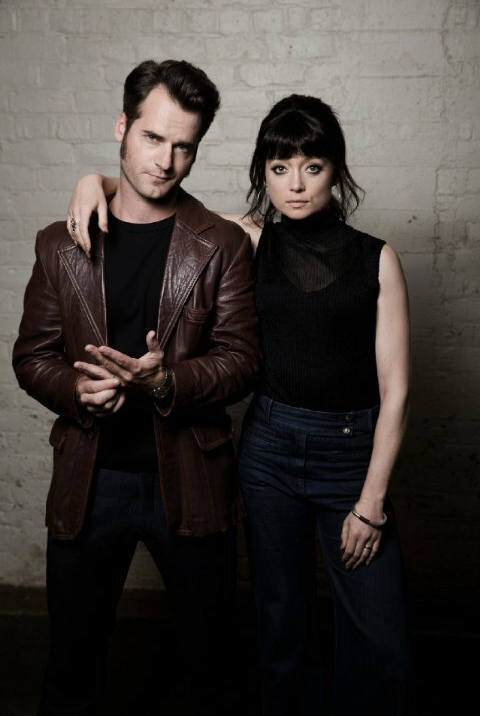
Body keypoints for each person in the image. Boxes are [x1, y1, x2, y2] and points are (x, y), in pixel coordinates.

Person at [66, 93, 411, 716]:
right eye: (279, 168)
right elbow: (162, 200)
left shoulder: (377, 257)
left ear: (335, 169)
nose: (296, 184)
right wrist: (96, 181)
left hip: (351, 455)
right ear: (263, 175)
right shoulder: (251, 237)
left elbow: (399, 393)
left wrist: (372, 503)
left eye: (312, 166)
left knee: (378, 636)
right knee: (281, 621)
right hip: (270, 449)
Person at [12, 59, 260, 716]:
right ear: (122, 127)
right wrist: (75, 389)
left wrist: (167, 379)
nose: (166, 161)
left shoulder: (222, 245)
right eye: (153, 138)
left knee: (212, 669)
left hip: (192, 480)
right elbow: (31, 357)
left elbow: (242, 362)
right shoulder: (59, 245)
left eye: (184, 146)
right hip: (91, 483)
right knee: (70, 671)